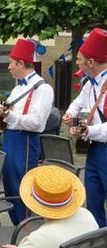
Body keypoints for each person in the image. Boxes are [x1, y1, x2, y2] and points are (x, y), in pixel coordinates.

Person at [0, 38, 54, 225]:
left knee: (23, 189)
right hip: (10, 138)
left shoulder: (43, 89)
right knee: (10, 190)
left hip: (25, 141)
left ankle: (27, 233)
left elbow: (37, 123)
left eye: (11, 63)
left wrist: (10, 116)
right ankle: (18, 230)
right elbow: (3, 116)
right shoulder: (17, 88)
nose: (9, 67)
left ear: (22, 63)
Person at [62, 28, 107, 228]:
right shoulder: (89, 84)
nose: (77, 62)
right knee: (93, 203)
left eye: (80, 59)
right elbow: (78, 102)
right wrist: (70, 113)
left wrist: (89, 131)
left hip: (103, 146)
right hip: (95, 150)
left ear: (91, 62)